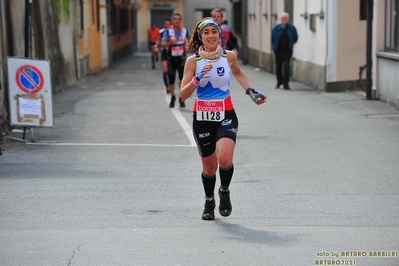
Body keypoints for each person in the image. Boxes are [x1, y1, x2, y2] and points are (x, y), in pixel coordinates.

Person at [180, 17, 266, 220]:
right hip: (202, 117)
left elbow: (239, 73)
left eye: (214, 31)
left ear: (220, 34)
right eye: (206, 32)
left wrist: (251, 92)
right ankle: (209, 200)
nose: (211, 35)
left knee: (225, 158)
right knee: (209, 168)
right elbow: (183, 94)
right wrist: (197, 79)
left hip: (226, 113)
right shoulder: (193, 61)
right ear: (200, 36)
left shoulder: (229, 56)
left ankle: (224, 191)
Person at [161, 13, 190, 108]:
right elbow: (162, 44)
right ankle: (173, 97)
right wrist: (169, 42)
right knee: (171, 80)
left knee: (182, 79)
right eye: (175, 19)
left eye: (178, 19)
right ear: (172, 21)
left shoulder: (185, 30)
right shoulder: (168, 32)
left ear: (180, 20)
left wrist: (188, 46)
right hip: (171, 58)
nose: (177, 21)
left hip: (181, 58)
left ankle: (181, 97)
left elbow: (190, 40)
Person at [271, 12, 298, 90]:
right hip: (278, 50)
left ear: (288, 19)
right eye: (283, 18)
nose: (284, 20)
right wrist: (273, 47)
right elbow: (272, 38)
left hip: (287, 51)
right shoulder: (276, 28)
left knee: (286, 67)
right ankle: (279, 82)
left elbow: (295, 37)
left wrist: (292, 44)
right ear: (280, 19)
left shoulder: (292, 28)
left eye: (286, 18)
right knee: (278, 67)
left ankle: (286, 83)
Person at [155, 18, 172, 93]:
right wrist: (156, 47)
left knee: (171, 71)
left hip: (172, 52)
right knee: (165, 70)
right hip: (164, 52)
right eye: (166, 24)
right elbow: (158, 40)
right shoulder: (161, 32)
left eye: (169, 24)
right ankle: (167, 86)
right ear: (164, 24)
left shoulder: (173, 31)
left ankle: (171, 84)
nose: (167, 25)